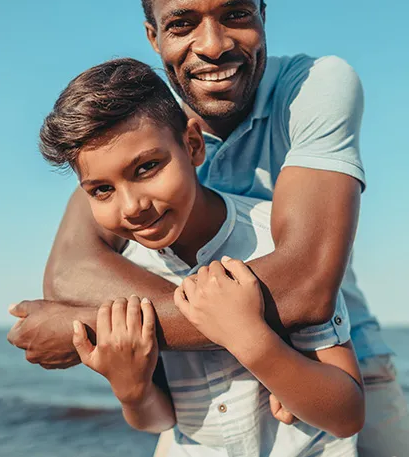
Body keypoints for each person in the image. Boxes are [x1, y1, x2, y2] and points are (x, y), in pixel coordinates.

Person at [7, 0, 409, 456]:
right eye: (182, 23)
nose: (213, 45)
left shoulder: (315, 88)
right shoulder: (138, 136)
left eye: (236, 14)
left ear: (264, 14)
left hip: (331, 365)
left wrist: (87, 324)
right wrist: (130, 355)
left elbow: (306, 286)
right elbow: (70, 272)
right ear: (154, 37)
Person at [40, 57, 364, 456]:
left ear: (192, 145)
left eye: (147, 168)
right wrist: (132, 388)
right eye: (101, 190)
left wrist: (252, 341)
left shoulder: (275, 246)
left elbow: (347, 413)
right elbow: (161, 421)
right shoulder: (126, 277)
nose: (132, 206)